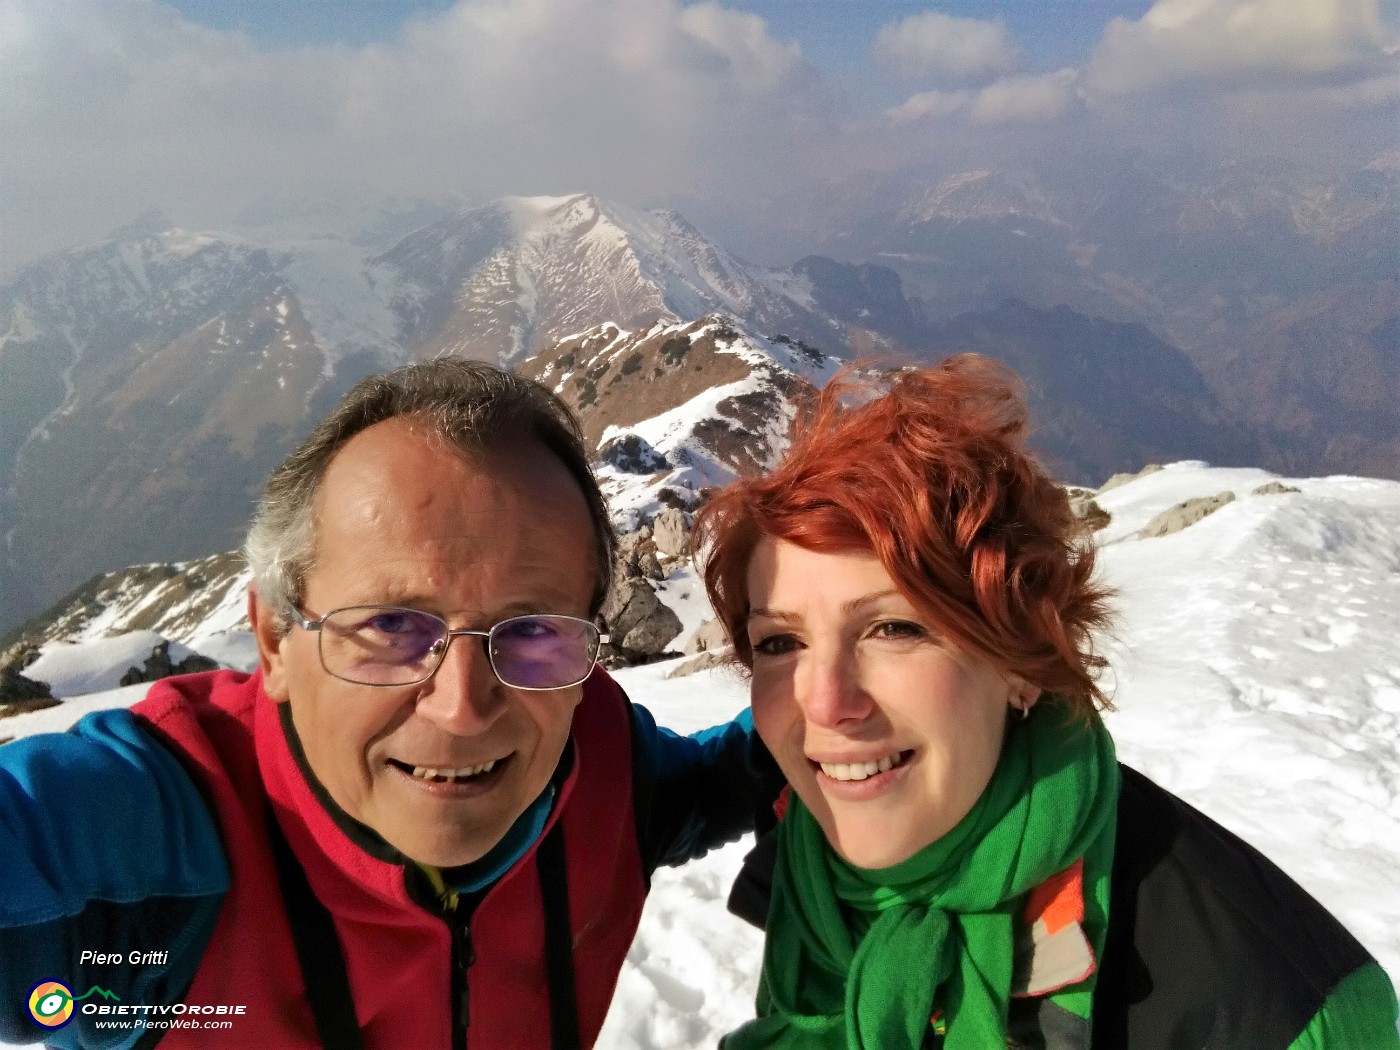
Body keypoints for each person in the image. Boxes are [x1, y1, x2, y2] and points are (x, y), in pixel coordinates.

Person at [0, 360, 765, 1049]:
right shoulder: (146, 842)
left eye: (531, 628)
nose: (463, 706)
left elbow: (755, 763)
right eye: (391, 625)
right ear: (273, 642)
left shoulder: (600, 761)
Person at [693, 355, 1400, 1049]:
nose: (823, 703)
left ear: (1019, 659)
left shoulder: (1280, 1009)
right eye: (780, 643)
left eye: (895, 628)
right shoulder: (812, 878)